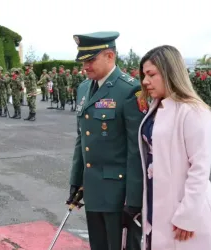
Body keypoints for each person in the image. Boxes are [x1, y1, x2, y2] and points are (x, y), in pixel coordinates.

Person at [67, 31, 145, 250]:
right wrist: (76, 181)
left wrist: (134, 199)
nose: (85, 66)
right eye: (83, 61)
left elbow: (136, 149)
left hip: (118, 194)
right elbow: (82, 138)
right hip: (93, 188)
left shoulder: (130, 90)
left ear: (110, 56)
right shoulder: (84, 88)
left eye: (91, 60)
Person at [138, 45, 211, 250]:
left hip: (183, 208)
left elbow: (200, 168)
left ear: (170, 72)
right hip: (156, 199)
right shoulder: (157, 107)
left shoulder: (193, 111)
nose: (145, 81)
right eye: (144, 75)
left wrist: (188, 215)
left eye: (151, 74)